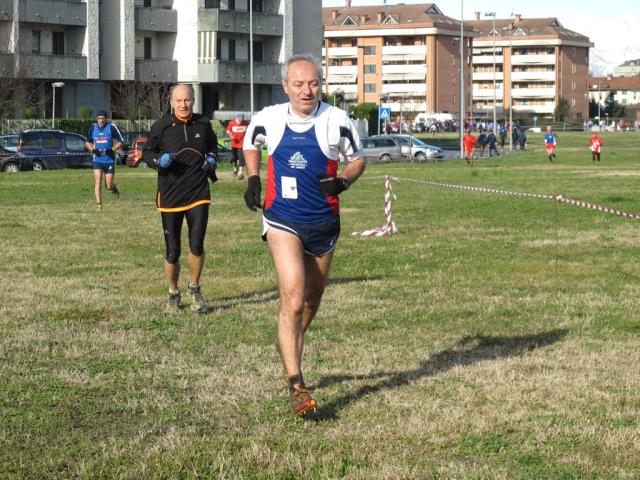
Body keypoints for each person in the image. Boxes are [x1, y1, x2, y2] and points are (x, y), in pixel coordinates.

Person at [242, 54, 366, 416]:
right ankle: (297, 384)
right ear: (286, 87)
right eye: (299, 84)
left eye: (313, 83)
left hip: (324, 222)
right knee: (293, 296)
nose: (306, 90)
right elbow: (251, 143)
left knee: (310, 302)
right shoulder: (269, 117)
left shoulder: (336, 119)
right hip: (283, 218)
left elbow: (357, 159)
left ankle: (288, 341)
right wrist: (253, 178)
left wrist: (344, 180)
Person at [142, 84, 219, 313]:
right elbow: (147, 153)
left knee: (196, 245)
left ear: (193, 101)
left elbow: (212, 145)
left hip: (198, 193)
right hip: (170, 195)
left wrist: (212, 158)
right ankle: (173, 293)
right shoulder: (162, 126)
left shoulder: (203, 124)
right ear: (171, 103)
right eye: (179, 101)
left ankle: (195, 289)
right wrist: (159, 160)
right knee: (172, 250)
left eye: (187, 100)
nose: (183, 105)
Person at [86, 110, 123, 210]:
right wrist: (93, 150)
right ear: (96, 119)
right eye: (99, 118)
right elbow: (87, 142)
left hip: (109, 160)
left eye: (103, 118)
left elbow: (121, 141)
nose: (101, 120)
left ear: (106, 119)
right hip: (97, 160)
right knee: (98, 180)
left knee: (108, 186)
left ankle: (113, 187)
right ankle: (99, 204)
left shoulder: (111, 127)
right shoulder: (93, 128)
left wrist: (113, 149)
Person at [226, 112, 248, 180]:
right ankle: (235, 168)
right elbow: (228, 131)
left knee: (242, 157)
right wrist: (231, 136)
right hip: (234, 143)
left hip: (242, 143)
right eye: (240, 118)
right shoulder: (232, 123)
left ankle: (240, 173)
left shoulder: (246, 123)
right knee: (234, 157)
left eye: (242, 118)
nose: (241, 120)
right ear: (237, 117)